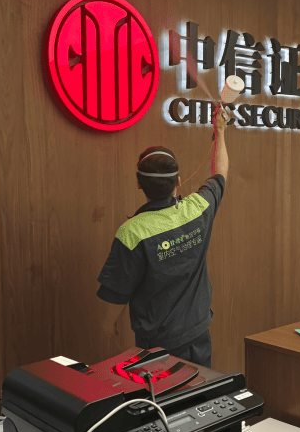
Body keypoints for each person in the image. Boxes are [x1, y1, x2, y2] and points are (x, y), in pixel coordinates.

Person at [96, 107, 230, 369]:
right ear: (178, 181)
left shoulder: (132, 233)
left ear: (139, 183)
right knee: (201, 390)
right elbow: (221, 173)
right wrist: (221, 131)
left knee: (164, 395)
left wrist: (108, 325)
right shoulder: (198, 208)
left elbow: (116, 295)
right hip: (199, 334)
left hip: (158, 348)